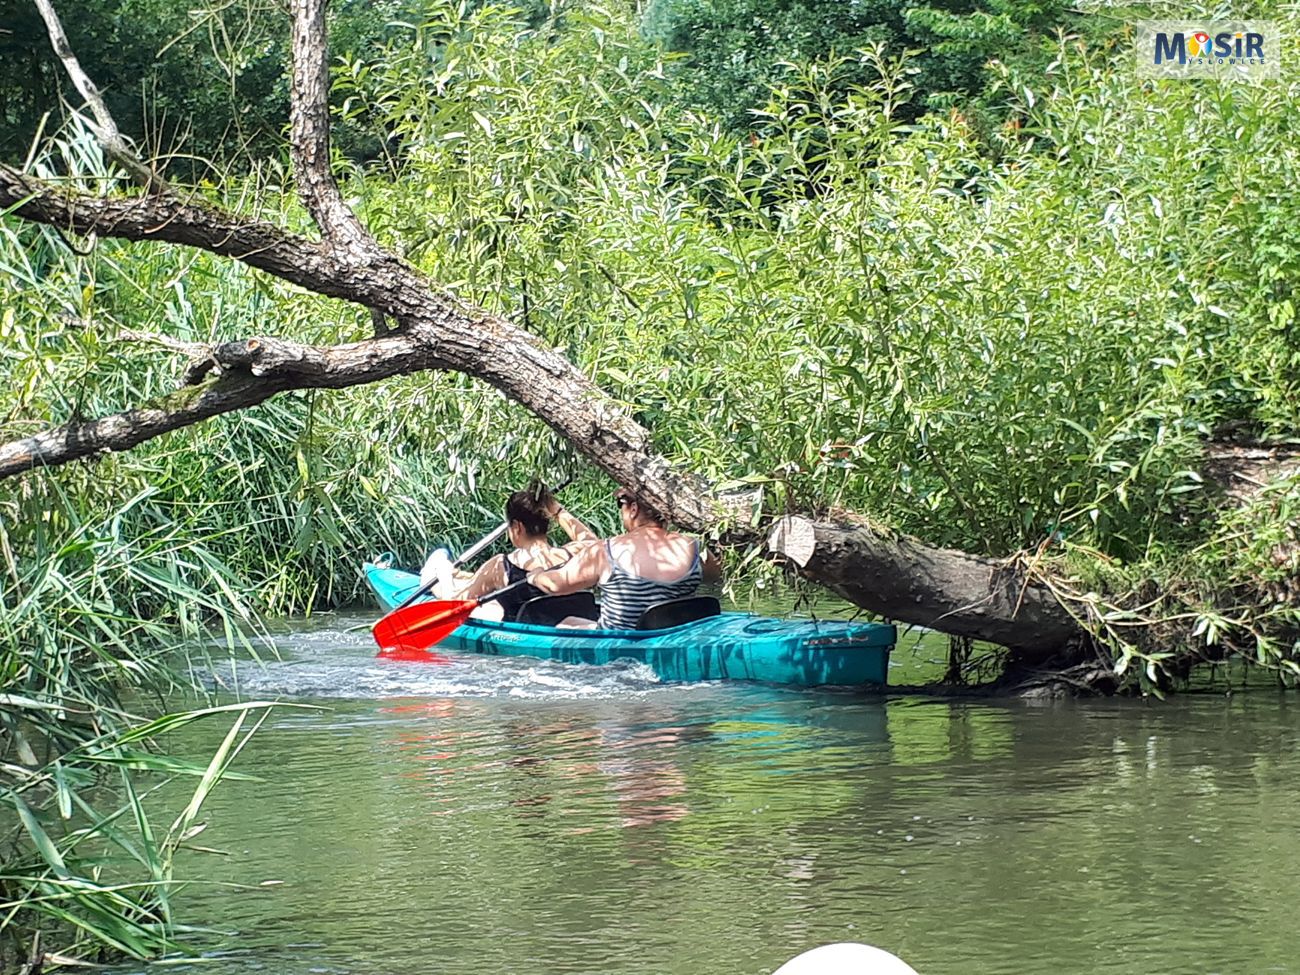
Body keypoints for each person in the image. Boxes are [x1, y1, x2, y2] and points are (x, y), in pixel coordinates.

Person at [525, 487, 721, 629]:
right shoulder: (695, 547)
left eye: (620, 503)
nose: (620, 510)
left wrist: (536, 575)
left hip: (620, 644)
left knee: (567, 623)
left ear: (633, 509)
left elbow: (556, 585)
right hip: (674, 638)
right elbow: (717, 575)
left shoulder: (605, 550)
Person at [422, 485, 597, 622]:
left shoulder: (500, 566)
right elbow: (593, 542)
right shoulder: (574, 553)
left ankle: (433, 573)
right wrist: (557, 510)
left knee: (444, 579)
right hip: (571, 623)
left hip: (530, 638)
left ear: (517, 527)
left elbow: (456, 602)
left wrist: (444, 574)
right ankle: (455, 575)